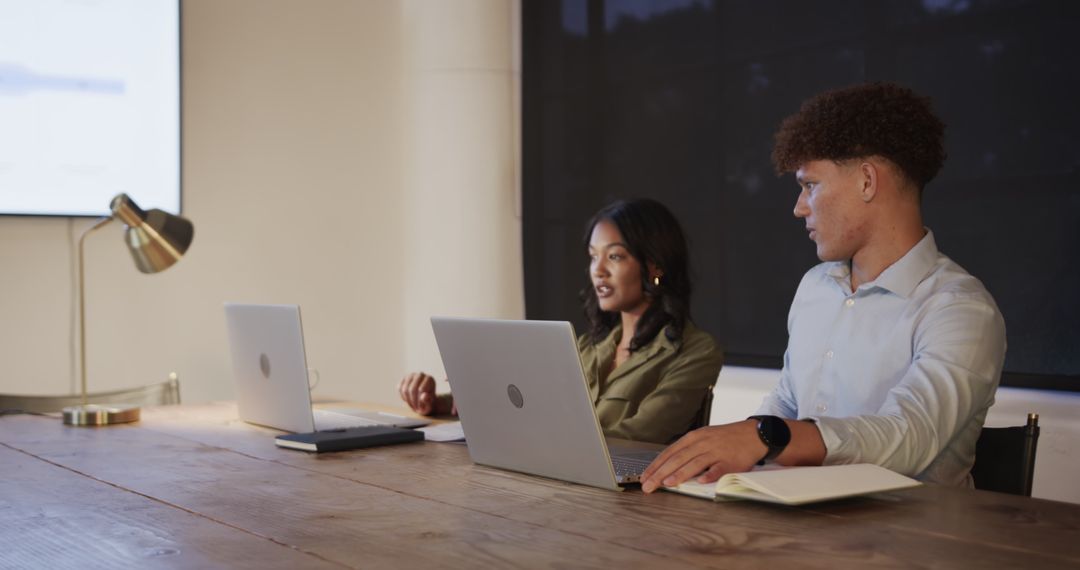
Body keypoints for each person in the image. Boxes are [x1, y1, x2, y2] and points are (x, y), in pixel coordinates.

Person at [641, 82, 1006, 493]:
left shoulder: (961, 309)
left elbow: (909, 437)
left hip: (911, 542)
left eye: (809, 185)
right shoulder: (816, 287)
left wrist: (767, 437)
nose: (798, 207)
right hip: (803, 522)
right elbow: (785, 401)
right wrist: (725, 448)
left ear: (867, 181)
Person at [399, 198, 724, 444]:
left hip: (632, 506)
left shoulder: (695, 350)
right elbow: (523, 405)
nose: (598, 270)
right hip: (560, 488)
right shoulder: (585, 347)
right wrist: (439, 402)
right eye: (593, 256)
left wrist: (533, 432)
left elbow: (639, 436)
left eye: (614, 256)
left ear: (655, 266)